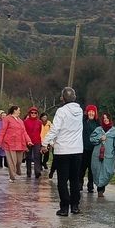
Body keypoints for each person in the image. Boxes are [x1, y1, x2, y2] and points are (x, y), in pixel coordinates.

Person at [42, 88, 85, 217]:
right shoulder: (80, 110)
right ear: (75, 97)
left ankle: (64, 207)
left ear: (63, 98)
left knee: (62, 180)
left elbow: (55, 129)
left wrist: (45, 143)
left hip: (63, 150)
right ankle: (75, 205)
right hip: (77, 149)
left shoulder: (61, 111)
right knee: (75, 179)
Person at [89, 112, 115, 198]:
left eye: (107, 118)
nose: (106, 120)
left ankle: (102, 186)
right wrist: (99, 139)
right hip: (97, 155)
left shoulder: (114, 131)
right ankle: (100, 189)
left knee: (109, 171)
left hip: (109, 156)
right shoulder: (98, 129)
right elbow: (91, 139)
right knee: (97, 171)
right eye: (104, 118)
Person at [0, 105, 31, 182]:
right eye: (19, 110)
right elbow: (2, 131)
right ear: (14, 110)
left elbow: (24, 132)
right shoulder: (7, 119)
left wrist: (28, 141)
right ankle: (12, 177)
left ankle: (17, 169)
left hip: (20, 143)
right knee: (12, 161)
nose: (20, 111)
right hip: (9, 143)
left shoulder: (20, 121)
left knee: (19, 161)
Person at [82, 104, 100, 193]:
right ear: (87, 112)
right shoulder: (83, 122)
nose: (91, 113)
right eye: (90, 111)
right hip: (84, 148)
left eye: (93, 112)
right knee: (82, 168)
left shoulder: (97, 123)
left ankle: (90, 186)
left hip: (94, 149)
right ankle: (79, 184)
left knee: (92, 169)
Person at [23, 106, 44, 178]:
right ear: (29, 113)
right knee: (28, 157)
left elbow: (40, 131)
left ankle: (37, 171)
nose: (33, 114)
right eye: (32, 112)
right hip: (28, 141)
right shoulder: (25, 122)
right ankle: (28, 172)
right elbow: (24, 132)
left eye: (35, 113)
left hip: (37, 141)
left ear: (37, 114)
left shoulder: (39, 122)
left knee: (37, 157)